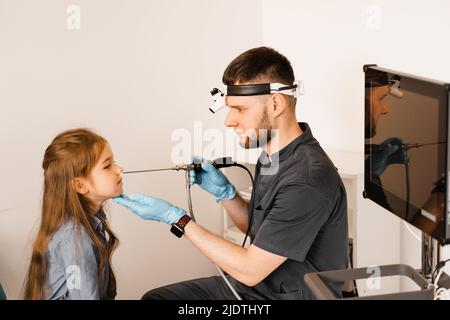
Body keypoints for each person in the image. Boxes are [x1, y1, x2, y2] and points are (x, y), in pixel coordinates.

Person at [114, 47, 349, 300]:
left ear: (276, 103)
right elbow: (258, 229)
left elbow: (250, 270)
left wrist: (177, 218)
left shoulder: (307, 179)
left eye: (240, 109)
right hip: (259, 287)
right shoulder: (274, 154)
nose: (229, 121)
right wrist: (226, 194)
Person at [24, 128, 123, 300]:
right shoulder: (75, 237)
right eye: (108, 165)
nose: (119, 169)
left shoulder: (90, 224)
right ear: (80, 185)